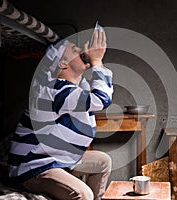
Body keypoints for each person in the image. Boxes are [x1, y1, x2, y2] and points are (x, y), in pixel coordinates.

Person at [8, 28, 113, 200]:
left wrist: (93, 61)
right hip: (33, 166)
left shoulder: (76, 88)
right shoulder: (54, 89)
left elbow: (93, 93)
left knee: (103, 162)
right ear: (62, 64)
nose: (81, 51)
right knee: (83, 194)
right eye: (74, 50)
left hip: (55, 158)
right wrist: (97, 61)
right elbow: (101, 99)